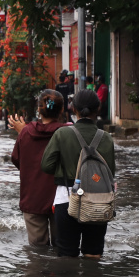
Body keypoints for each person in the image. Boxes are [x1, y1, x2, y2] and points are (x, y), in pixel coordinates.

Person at [41, 90, 115, 259]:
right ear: (98, 109)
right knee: (93, 254)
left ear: (73, 109)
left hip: (66, 200)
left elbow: (46, 166)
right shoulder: (106, 138)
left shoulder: (62, 133)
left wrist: (66, 167)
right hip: (99, 201)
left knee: (67, 256)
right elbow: (110, 173)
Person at [9, 90, 68, 247]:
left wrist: (24, 132)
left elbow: (17, 160)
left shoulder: (26, 133)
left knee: (37, 251)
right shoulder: (68, 133)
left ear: (39, 109)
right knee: (61, 248)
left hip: (33, 198)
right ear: (62, 109)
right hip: (61, 199)